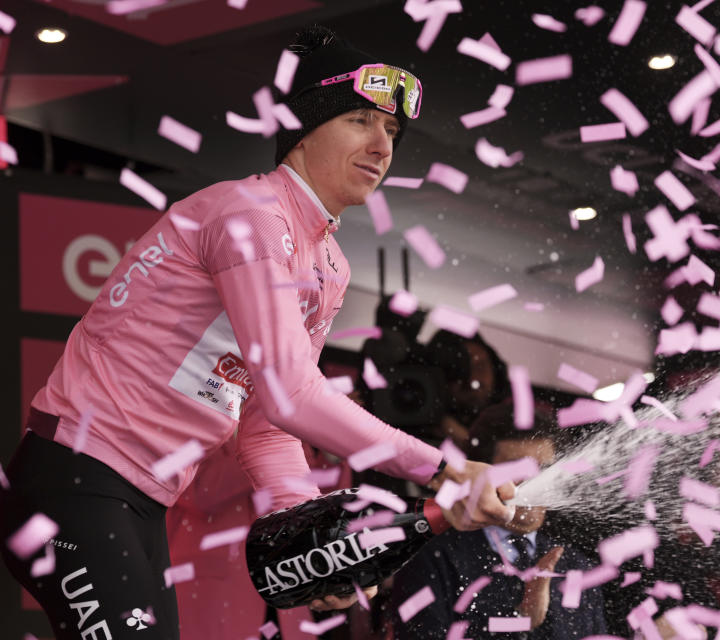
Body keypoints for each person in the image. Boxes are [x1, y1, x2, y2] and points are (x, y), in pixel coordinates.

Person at [0, 25, 514, 640]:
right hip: (74, 482)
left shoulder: (328, 264)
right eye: (359, 120)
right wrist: (441, 469)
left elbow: (268, 424)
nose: (383, 145)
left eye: (393, 132)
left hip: (136, 499)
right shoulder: (251, 216)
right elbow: (290, 392)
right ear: (301, 127)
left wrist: (306, 539)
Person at [391, 402, 608, 639]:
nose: (532, 484)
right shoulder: (431, 556)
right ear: (479, 477)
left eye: (545, 470)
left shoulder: (578, 567)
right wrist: (518, 622)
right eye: (515, 472)